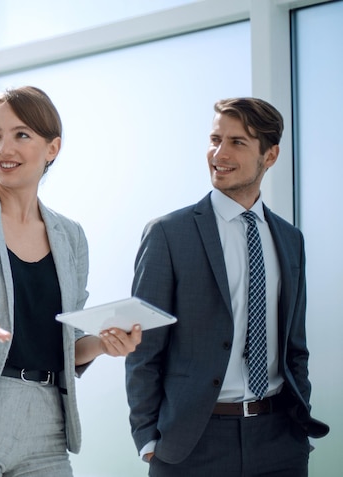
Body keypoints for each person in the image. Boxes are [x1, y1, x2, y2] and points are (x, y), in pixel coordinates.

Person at [0, 85, 142, 477]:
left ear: (52, 148)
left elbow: (64, 345)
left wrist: (102, 344)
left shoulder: (71, 236)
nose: (4, 149)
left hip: (46, 425)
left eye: (21, 135)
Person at [125, 97, 329, 477]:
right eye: (215, 139)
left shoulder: (290, 239)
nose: (220, 153)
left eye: (238, 142)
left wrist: (298, 426)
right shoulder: (169, 234)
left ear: (270, 156)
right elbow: (143, 349)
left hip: (279, 440)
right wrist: (148, 439)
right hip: (191, 444)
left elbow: (294, 347)